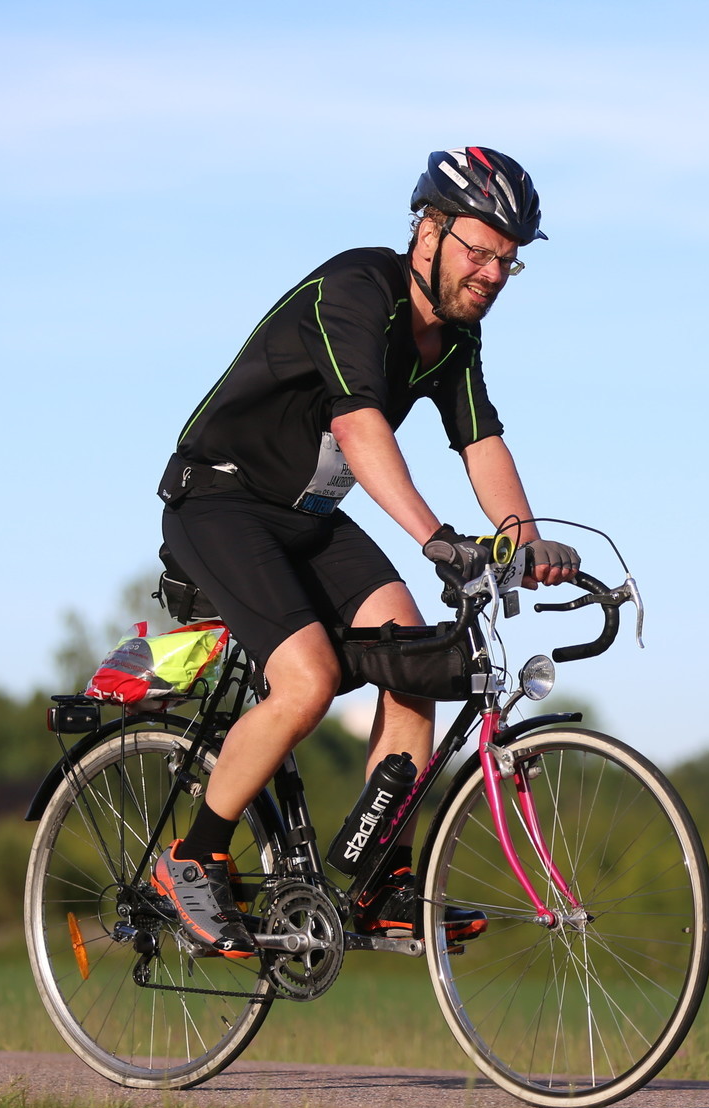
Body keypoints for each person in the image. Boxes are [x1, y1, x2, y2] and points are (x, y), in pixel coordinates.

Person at [151, 147, 579, 957]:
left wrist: (525, 542)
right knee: (308, 679)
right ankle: (193, 856)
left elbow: (480, 441)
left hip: (306, 516)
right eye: (480, 251)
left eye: (508, 261)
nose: (493, 273)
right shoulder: (357, 292)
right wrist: (435, 537)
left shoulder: (455, 338)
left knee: (418, 658)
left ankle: (382, 880)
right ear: (430, 231)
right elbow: (358, 425)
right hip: (220, 501)